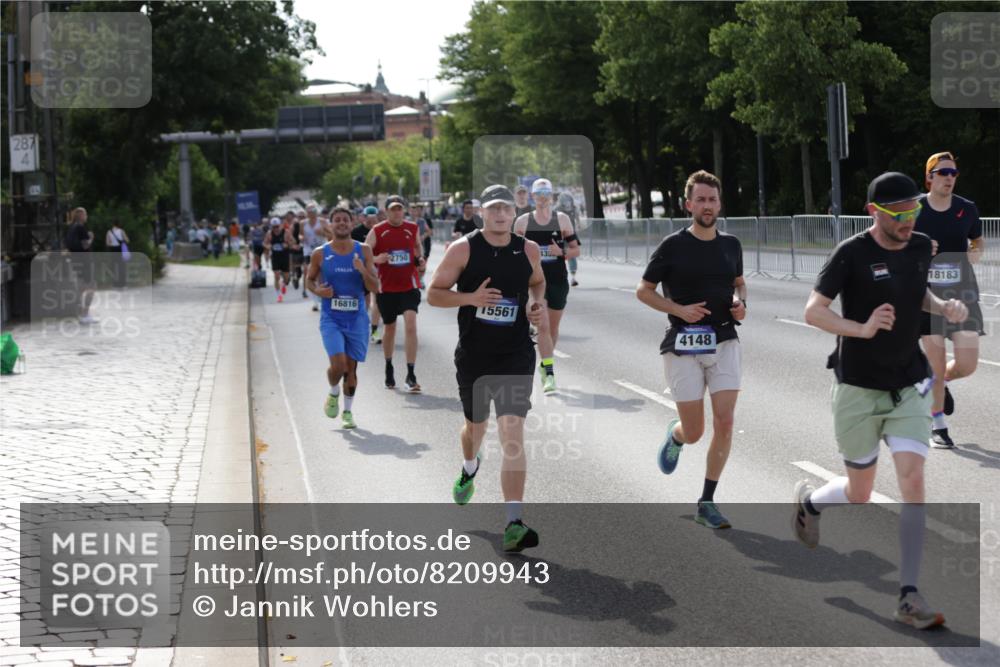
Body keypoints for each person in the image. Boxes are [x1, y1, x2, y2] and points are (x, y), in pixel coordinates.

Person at [793, 171, 968, 630]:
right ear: (874, 213)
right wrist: (862, 328)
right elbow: (813, 311)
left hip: (907, 385)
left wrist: (943, 307)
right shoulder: (850, 254)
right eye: (900, 213)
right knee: (861, 493)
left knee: (912, 478)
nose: (910, 219)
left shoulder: (918, 245)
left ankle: (908, 594)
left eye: (914, 210)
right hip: (857, 388)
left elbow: (917, 292)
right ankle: (811, 504)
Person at [428, 184, 547, 552]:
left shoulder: (526, 249)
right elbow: (433, 293)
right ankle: (469, 467)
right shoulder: (463, 248)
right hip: (475, 356)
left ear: (515, 212)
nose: (500, 214)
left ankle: (513, 521)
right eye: (493, 208)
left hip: (515, 354)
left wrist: (536, 305)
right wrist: (471, 298)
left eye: (506, 208)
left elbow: (538, 282)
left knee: (512, 434)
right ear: (482, 211)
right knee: (475, 430)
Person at [636, 170, 746, 530]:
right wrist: (679, 310)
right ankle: (677, 435)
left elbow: (740, 284)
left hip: (725, 339)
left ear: (719, 204)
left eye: (712, 199)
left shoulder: (731, 244)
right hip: (683, 344)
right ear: (688, 205)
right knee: (696, 431)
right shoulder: (673, 246)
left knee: (726, 421)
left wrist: (739, 303)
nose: (707, 205)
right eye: (700, 199)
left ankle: (707, 501)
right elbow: (644, 290)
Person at [914, 152, 986, 449]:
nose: (949, 178)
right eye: (943, 172)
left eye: (953, 173)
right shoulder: (914, 208)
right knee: (937, 358)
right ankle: (938, 424)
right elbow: (894, 241)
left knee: (967, 363)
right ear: (929, 177)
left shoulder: (966, 209)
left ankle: (934, 382)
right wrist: (917, 250)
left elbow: (978, 240)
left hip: (963, 292)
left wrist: (973, 255)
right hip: (927, 294)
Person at [306, 206, 379, 429]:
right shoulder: (320, 253)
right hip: (331, 317)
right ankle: (333, 391)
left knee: (351, 368)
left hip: (356, 317)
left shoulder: (364, 250)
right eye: (337, 220)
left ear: (351, 223)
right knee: (337, 366)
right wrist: (318, 292)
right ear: (330, 225)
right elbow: (309, 280)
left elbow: (375, 286)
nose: (341, 223)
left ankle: (347, 412)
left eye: (345, 220)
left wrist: (361, 270)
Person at [514, 178, 581, 394]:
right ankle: (550, 375)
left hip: (558, 280)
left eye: (546, 194)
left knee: (552, 329)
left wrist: (560, 252)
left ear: (551, 197)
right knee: (542, 325)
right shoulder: (523, 222)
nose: (542, 198)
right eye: (539, 194)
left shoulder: (562, 220)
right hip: (534, 282)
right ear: (533, 197)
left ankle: (544, 365)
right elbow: (513, 251)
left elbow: (575, 250)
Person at [365, 195, 425, 391]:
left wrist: (420, 259)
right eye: (393, 209)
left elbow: (417, 247)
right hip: (387, 288)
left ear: (404, 210)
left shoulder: (412, 228)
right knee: (389, 329)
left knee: (411, 325)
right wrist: (377, 259)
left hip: (409, 285)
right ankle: (389, 366)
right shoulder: (377, 230)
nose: (397, 212)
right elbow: (364, 255)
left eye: (399, 208)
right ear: (387, 211)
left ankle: (411, 373)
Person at [352, 206, 382, 341]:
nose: (371, 220)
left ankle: (374, 331)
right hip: (361, 269)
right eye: (368, 217)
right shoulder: (356, 232)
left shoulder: (380, 230)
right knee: (365, 301)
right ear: (363, 217)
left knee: (376, 301)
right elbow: (353, 252)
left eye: (373, 217)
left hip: (378, 270)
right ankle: (362, 325)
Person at [65, 207, 97, 324]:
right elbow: (85, 246)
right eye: (85, 214)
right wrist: (91, 238)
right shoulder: (81, 228)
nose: (87, 217)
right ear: (81, 216)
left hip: (75, 260)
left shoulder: (71, 228)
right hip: (84, 261)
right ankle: (85, 313)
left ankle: (81, 314)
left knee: (81, 287)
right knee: (92, 286)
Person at [301, 204, 330, 308]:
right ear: (306, 212)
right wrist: (301, 238)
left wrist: (322, 232)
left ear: (316, 212)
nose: (311, 213)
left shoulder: (322, 222)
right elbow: (300, 235)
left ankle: (320, 296)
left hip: (321, 250)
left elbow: (331, 234)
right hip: (308, 250)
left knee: (320, 275)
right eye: (309, 211)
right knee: (308, 273)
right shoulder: (303, 223)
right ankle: (315, 301)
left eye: (313, 211)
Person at [264, 216, 291, 302]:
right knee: (276, 276)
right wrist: (269, 246)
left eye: (277, 226)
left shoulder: (286, 232)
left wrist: (287, 244)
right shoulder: (269, 233)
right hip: (275, 256)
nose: (275, 229)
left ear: (280, 225)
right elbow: (265, 243)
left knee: (286, 277)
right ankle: (279, 295)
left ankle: (283, 284)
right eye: (274, 227)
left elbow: (292, 242)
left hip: (284, 256)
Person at [556, 192, 581, 287]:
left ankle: (573, 278)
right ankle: (560, 277)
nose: (567, 203)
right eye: (565, 200)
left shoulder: (574, 208)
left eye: (569, 200)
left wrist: (578, 224)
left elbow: (577, 218)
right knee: (559, 256)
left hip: (571, 235)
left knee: (572, 256)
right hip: (560, 235)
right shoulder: (557, 209)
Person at [105, 220, 130, 288]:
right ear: (118, 224)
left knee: (114, 267)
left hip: (113, 250)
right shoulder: (121, 231)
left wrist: (112, 243)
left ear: (112, 224)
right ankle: (123, 284)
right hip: (120, 250)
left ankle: (115, 284)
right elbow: (127, 240)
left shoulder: (109, 232)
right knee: (122, 267)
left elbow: (107, 243)